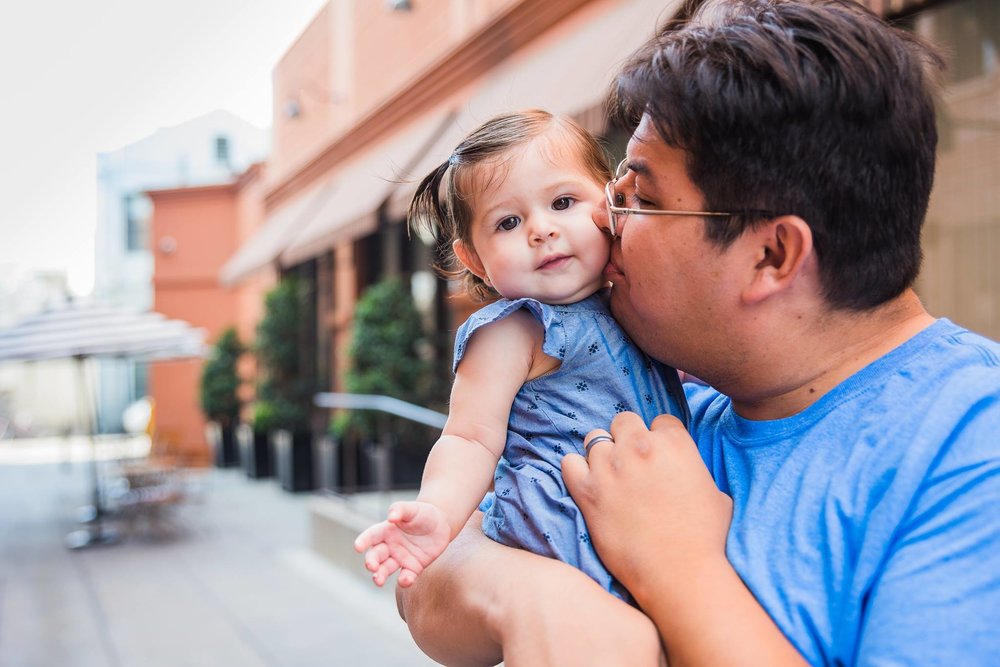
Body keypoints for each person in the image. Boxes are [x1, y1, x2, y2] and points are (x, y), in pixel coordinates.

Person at [395, 1, 1000, 666]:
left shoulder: (971, 446)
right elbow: (425, 580)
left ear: (771, 255)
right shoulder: (678, 409)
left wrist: (678, 568)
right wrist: (524, 593)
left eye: (642, 199)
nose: (605, 220)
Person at [353, 110, 688, 601]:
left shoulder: (634, 296)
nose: (541, 229)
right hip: (563, 532)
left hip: (651, 519)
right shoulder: (516, 329)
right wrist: (440, 512)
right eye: (508, 222)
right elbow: (469, 438)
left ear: (609, 200)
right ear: (473, 259)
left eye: (563, 201)